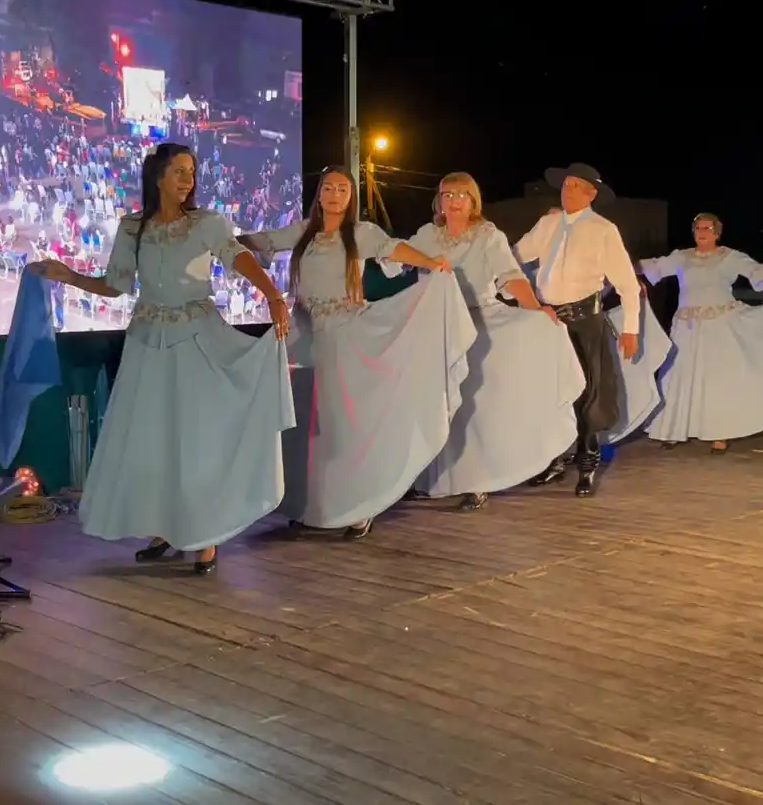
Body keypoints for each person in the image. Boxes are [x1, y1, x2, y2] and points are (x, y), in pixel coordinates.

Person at [30, 143, 294, 575]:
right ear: (157, 176)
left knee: (196, 437)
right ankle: (163, 528)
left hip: (196, 338)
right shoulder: (132, 227)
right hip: (147, 343)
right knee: (153, 437)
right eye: (179, 171)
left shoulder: (207, 223)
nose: (188, 179)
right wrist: (68, 276)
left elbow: (237, 256)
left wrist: (273, 294)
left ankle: (204, 535)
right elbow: (116, 285)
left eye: (191, 171)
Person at [239, 165, 472, 539]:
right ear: (319, 194)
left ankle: (356, 504)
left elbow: (392, 247)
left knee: (340, 422)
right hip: (302, 334)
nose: (334, 195)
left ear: (351, 197)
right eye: (328, 187)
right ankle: (308, 503)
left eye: (343, 189)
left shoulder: (361, 233)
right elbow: (262, 241)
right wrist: (222, 241)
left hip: (343, 332)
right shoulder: (303, 232)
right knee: (301, 423)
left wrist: (430, 263)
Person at [407, 172, 586, 511]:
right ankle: (431, 479)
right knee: (435, 403)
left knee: (473, 405)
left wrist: (536, 310)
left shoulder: (487, 235)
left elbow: (510, 276)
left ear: (473, 200)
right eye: (448, 195)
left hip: (479, 322)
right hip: (436, 326)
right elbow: (397, 259)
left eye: (462, 195)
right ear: (439, 201)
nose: (454, 201)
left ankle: (476, 482)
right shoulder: (428, 234)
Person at [638, 212, 763, 453]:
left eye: (707, 228)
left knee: (719, 378)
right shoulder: (681, 257)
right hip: (687, 327)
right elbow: (652, 266)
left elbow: (760, 272)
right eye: (698, 228)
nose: (702, 232)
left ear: (717, 233)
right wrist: (619, 266)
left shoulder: (729, 257)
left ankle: (720, 433)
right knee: (677, 374)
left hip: (720, 325)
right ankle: (674, 429)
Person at [514, 163, 646, 498]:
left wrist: (631, 329)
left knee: (587, 392)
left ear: (591, 194)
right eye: (566, 185)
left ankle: (587, 463)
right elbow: (514, 257)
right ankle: (554, 460)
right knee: (550, 391)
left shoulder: (603, 229)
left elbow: (627, 284)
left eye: (576, 186)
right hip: (548, 321)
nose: (567, 190)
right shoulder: (548, 223)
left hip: (585, 320)